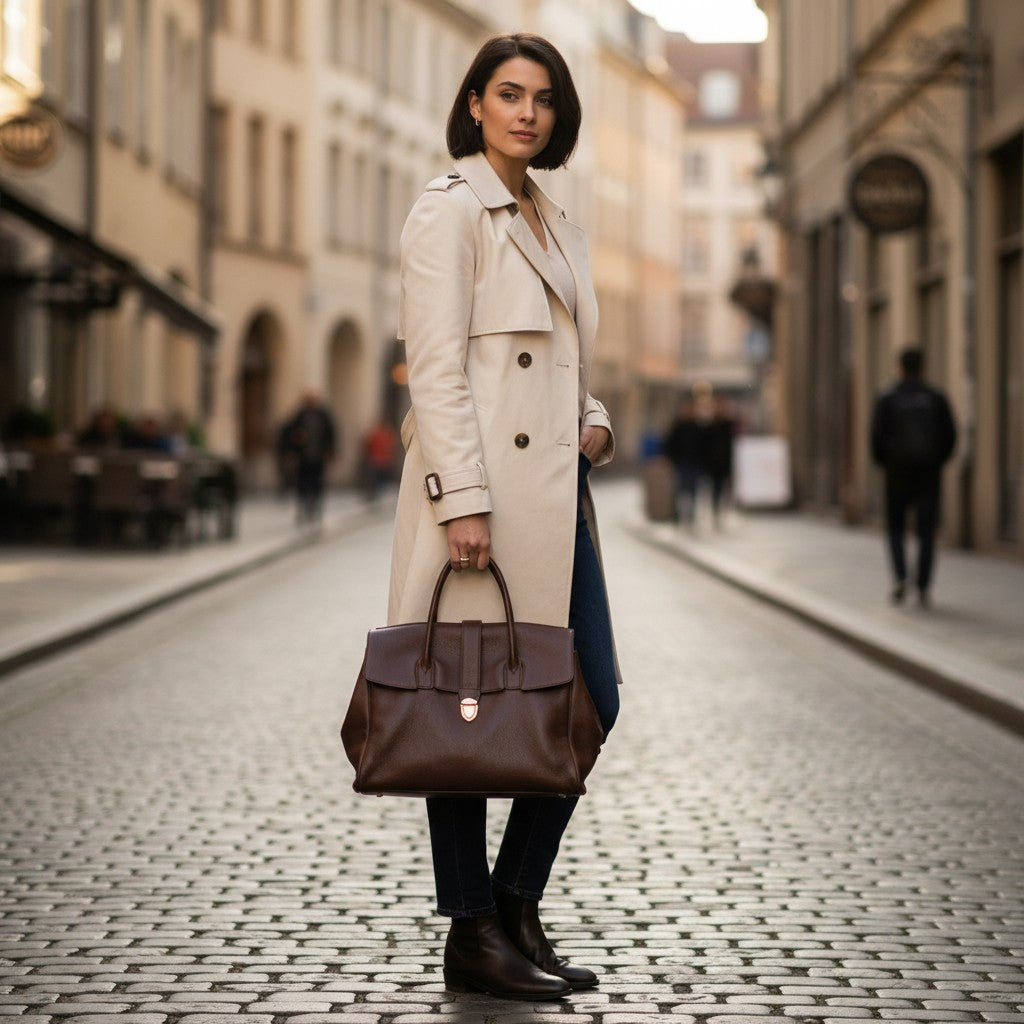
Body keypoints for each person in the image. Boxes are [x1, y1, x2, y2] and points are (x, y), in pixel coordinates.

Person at [386, 33, 620, 1001]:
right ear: (475, 103)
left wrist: (595, 425)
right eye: (509, 94)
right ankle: (472, 929)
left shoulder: (552, 218)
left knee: (586, 700)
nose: (528, 112)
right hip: (481, 506)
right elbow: (435, 369)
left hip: (555, 500)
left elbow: (568, 368)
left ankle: (515, 906)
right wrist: (461, 504)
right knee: (465, 711)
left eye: (544, 100)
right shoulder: (449, 212)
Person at [870, 347, 957, 607]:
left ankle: (900, 578)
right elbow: (950, 436)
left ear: (900, 367)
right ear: (923, 367)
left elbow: (875, 438)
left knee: (896, 528)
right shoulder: (935, 398)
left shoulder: (888, 397)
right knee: (927, 530)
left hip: (897, 472)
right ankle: (923, 586)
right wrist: (937, 461)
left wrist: (886, 463)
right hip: (928, 473)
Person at [281, 390, 337, 524]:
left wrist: (330, 451)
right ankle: (303, 509)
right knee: (302, 484)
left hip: (318, 457)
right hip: (303, 457)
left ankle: (315, 508)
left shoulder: (323, 416)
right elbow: (289, 434)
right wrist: (292, 449)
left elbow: (331, 435)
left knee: (317, 484)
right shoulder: (299, 416)